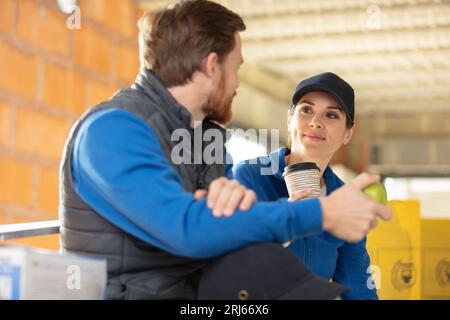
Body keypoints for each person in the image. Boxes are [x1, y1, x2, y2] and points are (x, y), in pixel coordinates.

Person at [59, 0, 392, 300]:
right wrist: (322, 213)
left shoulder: (204, 141)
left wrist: (230, 214)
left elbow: (222, 237)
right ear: (211, 66)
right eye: (236, 67)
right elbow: (188, 229)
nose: (236, 83)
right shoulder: (113, 130)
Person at [233, 72, 379, 299]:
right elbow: (232, 266)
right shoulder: (249, 177)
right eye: (306, 110)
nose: (315, 122)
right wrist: (290, 221)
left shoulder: (344, 199)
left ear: (348, 133)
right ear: (289, 119)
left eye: (331, 115)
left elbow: (357, 283)